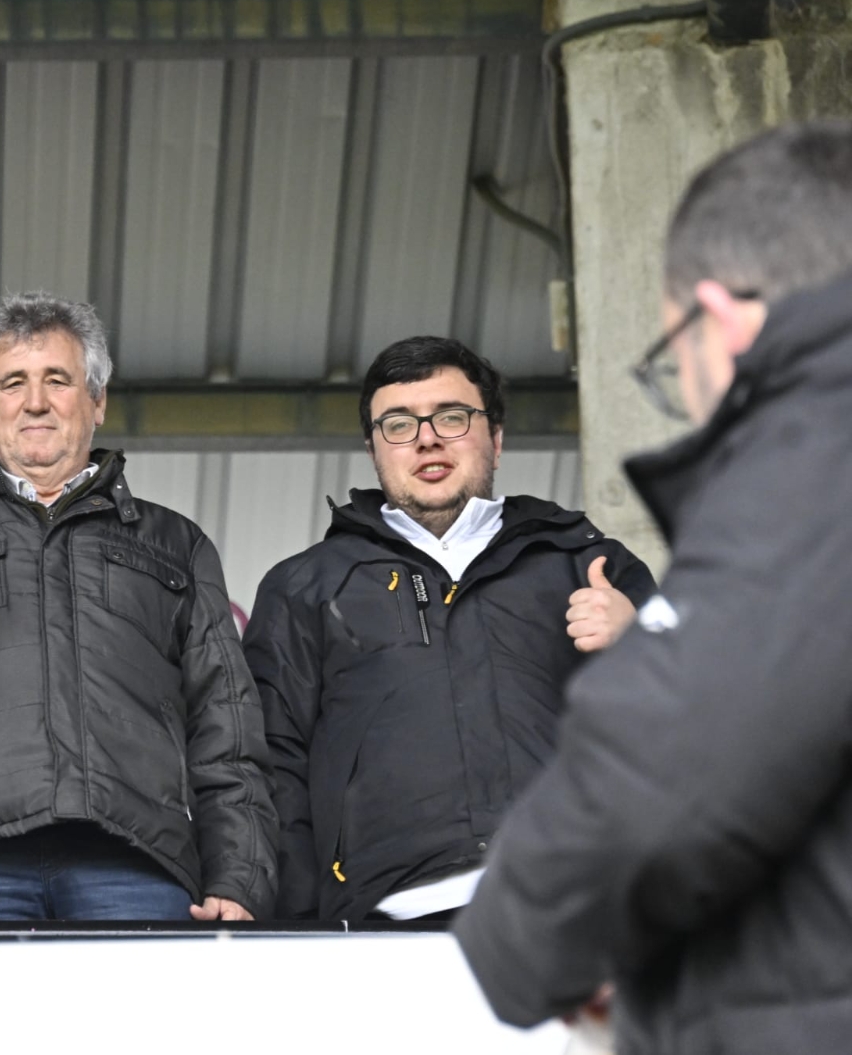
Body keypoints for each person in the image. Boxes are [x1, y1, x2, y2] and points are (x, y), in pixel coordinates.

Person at [454, 121, 852, 1053]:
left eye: (678, 360)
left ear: (721, 319)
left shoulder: (816, 460)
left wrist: (519, 937)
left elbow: (660, 777)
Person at [0, 292, 277, 921]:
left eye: (57, 380)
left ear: (97, 401)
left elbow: (227, 726)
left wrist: (238, 876)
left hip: (136, 859)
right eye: (13, 383)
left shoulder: (176, 543)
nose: (35, 401)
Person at [242, 336, 655, 923]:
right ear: (373, 450)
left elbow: (708, 729)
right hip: (384, 920)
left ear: (496, 439)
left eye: (452, 417)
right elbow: (274, 764)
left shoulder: (589, 566)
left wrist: (645, 647)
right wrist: (306, 924)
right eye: (398, 425)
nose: (427, 438)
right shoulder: (304, 586)